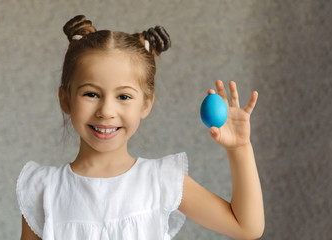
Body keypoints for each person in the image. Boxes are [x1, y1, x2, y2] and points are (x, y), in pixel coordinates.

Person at [17, 15, 264, 240]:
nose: (106, 111)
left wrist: (239, 148)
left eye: (123, 97)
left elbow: (246, 227)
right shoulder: (44, 189)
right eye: (91, 94)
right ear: (65, 99)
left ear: (146, 104)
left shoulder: (161, 181)